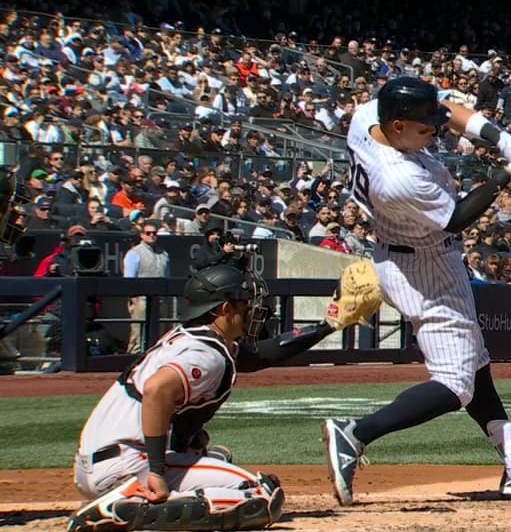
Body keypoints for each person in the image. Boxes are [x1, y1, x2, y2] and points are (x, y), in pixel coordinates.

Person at [322, 77, 511, 506]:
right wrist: (508, 173)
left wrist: (506, 140)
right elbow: (456, 219)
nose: (435, 132)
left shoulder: (368, 116)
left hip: (413, 254)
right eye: (424, 129)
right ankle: (356, 433)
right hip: (424, 268)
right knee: (456, 385)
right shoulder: (397, 178)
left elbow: (447, 107)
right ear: (399, 124)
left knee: (475, 364)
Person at [67, 263, 344, 532]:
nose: (251, 309)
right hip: (127, 464)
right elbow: (156, 390)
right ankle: (129, 504)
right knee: (261, 494)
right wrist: (157, 471)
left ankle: (131, 495)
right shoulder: (206, 354)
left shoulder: (191, 337)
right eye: (244, 303)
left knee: (208, 453)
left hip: (96, 464)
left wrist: (327, 326)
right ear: (225, 309)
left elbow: (259, 355)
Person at [124, 220, 171, 353]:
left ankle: (157, 356)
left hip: (160, 299)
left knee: (160, 333)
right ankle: (134, 357)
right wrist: (133, 299)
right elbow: (129, 279)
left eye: (154, 233)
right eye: (148, 233)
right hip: (141, 299)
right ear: (142, 235)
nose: (151, 235)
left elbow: (167, 276)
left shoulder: (164, 253)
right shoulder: (134, 253)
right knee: (138, 333)